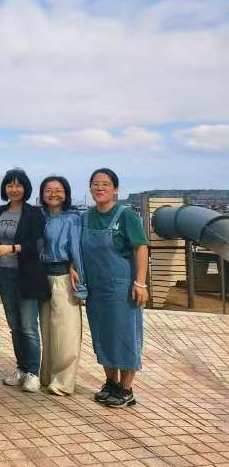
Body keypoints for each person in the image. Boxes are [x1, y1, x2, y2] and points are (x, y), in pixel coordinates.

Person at [83, 168, 149, 408]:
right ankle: (111, 382)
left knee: (125, 335)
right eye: (95, 184)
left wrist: (140, 282)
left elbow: (141, 247)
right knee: (103, 335)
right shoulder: (85, 217)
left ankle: (126, 388)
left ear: (115, 189)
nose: (99, 188)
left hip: (122, 288)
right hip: (96, 288)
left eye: (105, 184)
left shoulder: (126, 215)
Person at [0, 168, 46, 393]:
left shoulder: (33, 213)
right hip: (4, 275)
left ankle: (33, 373)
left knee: (28, 326)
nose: (14, 189)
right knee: (14, 326)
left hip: (26, 275)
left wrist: (13, 248)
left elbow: (39, 244)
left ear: (25, 188)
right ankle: (21, 368)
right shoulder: (0, 211)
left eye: (18, 185)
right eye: (10, 185)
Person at [37, 176, 84, 396]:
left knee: (66, 331)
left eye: (58, 190)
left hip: (64, 275)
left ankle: (63, 381)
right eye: (48, 190)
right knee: (47, 331)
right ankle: (46, 376)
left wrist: (76, 268)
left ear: (66, 194)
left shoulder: (73, 218)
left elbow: (77, 247)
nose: (53, 194)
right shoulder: (39, 216)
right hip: (41, 277)